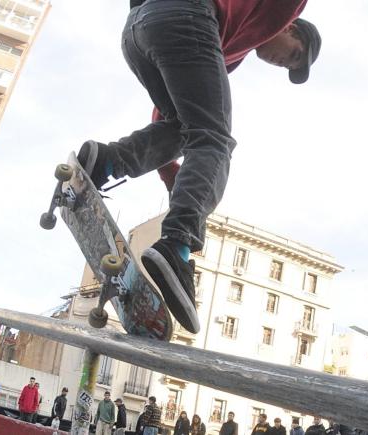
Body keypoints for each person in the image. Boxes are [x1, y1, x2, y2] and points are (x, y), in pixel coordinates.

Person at [76, 0, 322, 335]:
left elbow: (167, 117)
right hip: (187, 14)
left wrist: (168, 172)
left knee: (186, 124)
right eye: (293, 55)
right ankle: (177, 246)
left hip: (139, 30)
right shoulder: (280, 9)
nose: (283, 64)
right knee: (216, 139)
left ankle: (104, 162)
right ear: (292, 27)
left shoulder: (232, 52)